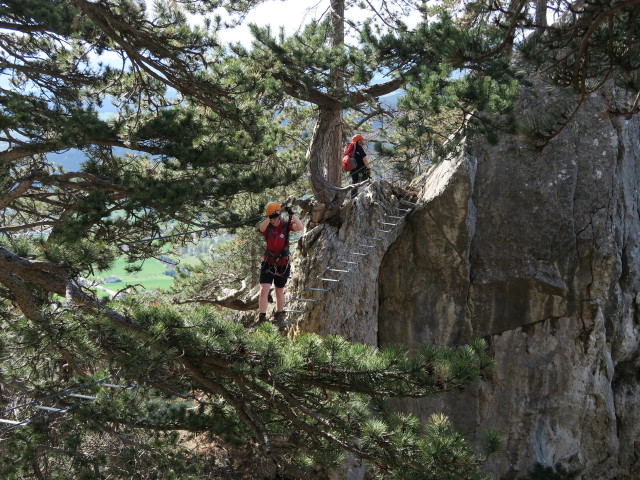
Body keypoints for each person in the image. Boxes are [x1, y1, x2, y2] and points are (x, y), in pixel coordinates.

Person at [256, 202, 304, 325]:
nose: (273, 220)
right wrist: (270, 216)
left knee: (279, 290)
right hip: (268, 262)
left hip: (282, 263)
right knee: (264, 289)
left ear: (279, 216)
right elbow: (261, 228)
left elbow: (300, 227)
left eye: (275, 217)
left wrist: (292, 215)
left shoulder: (285, 225)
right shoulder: (267, 227)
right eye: (270, 218)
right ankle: (262, 316)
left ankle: (279, 313)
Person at [350, 134, 371, 199]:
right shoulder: (359, 148)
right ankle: (371, 193)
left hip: (352, 169)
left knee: (354, 183)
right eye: (362, 139)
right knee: (368, 178)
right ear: (358, 141)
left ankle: (353, 199)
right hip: (361, 169)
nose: (363, 140)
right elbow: (365, 160)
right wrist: (369, 168)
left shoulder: (352, 148)